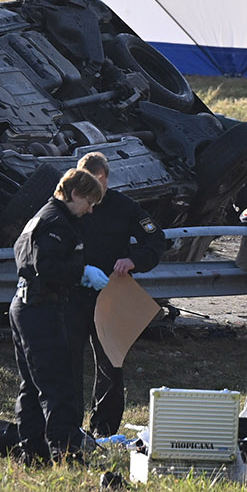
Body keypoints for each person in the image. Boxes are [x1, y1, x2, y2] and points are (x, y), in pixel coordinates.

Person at [11, 167, 107, 464]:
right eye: (89, 202)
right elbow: (46, 266)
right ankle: (65, 452)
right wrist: (81, 273)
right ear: (74, 193)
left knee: (32, 385)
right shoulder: (56, 222)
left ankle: (33, 451)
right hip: (40, 307)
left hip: (25, 304)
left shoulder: (42, 216)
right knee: (59, 384)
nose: (90, 210)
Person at [74, 150, 166, 439]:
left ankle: (104, 427)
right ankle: (70, 424)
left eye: (97, 182)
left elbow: (155, 239)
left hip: (110, 292)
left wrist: (133, 261)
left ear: (106, 179)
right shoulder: (69, 204)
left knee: (110, 364)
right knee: (68, 362)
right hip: (73, 292)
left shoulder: (124, 207)